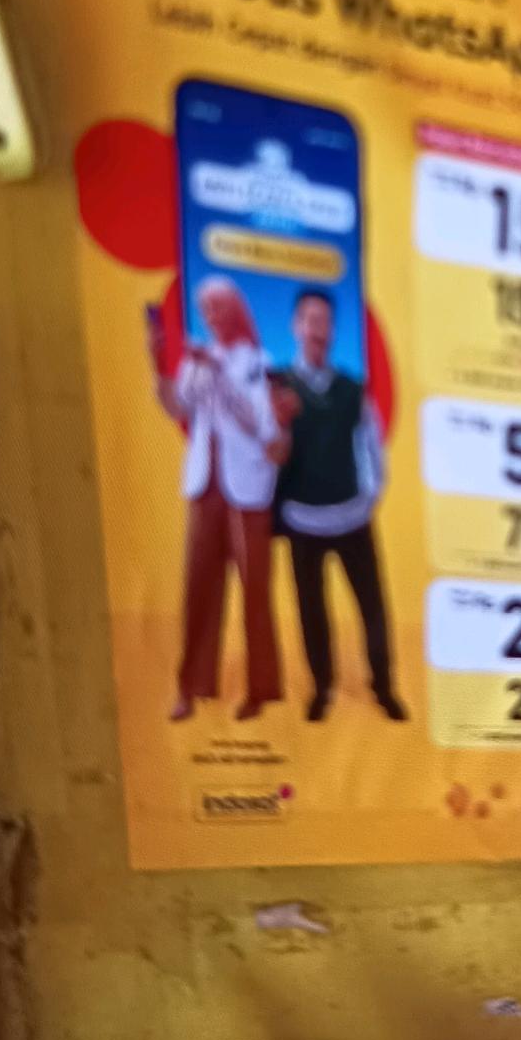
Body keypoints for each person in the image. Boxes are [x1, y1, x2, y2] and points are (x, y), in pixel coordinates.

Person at [271, 289, 405, 722]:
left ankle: (383, 688)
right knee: (312, 612)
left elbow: (371, 446)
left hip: (351, 516)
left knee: (372, 607)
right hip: (302, 518)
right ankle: (321, 690)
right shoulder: (276, 386)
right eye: (310, 320)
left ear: (332, 331)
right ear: (296, 327)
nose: (318, 330)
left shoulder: (352, 389)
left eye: (325, 322)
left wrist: (369, 497)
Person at [154, 277, 283, 721]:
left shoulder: (259, 362)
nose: (211, 317)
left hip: (247, 490)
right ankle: (190, 688)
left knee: (254, 591)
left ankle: (260, 689)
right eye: (206, 309)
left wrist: (221, 376)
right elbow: (179, 408)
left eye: (218, 308)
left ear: (236, 311)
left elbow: (259, 424)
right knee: (198, 588)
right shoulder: (199, 358)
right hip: (205, 485)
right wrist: (160, 364)